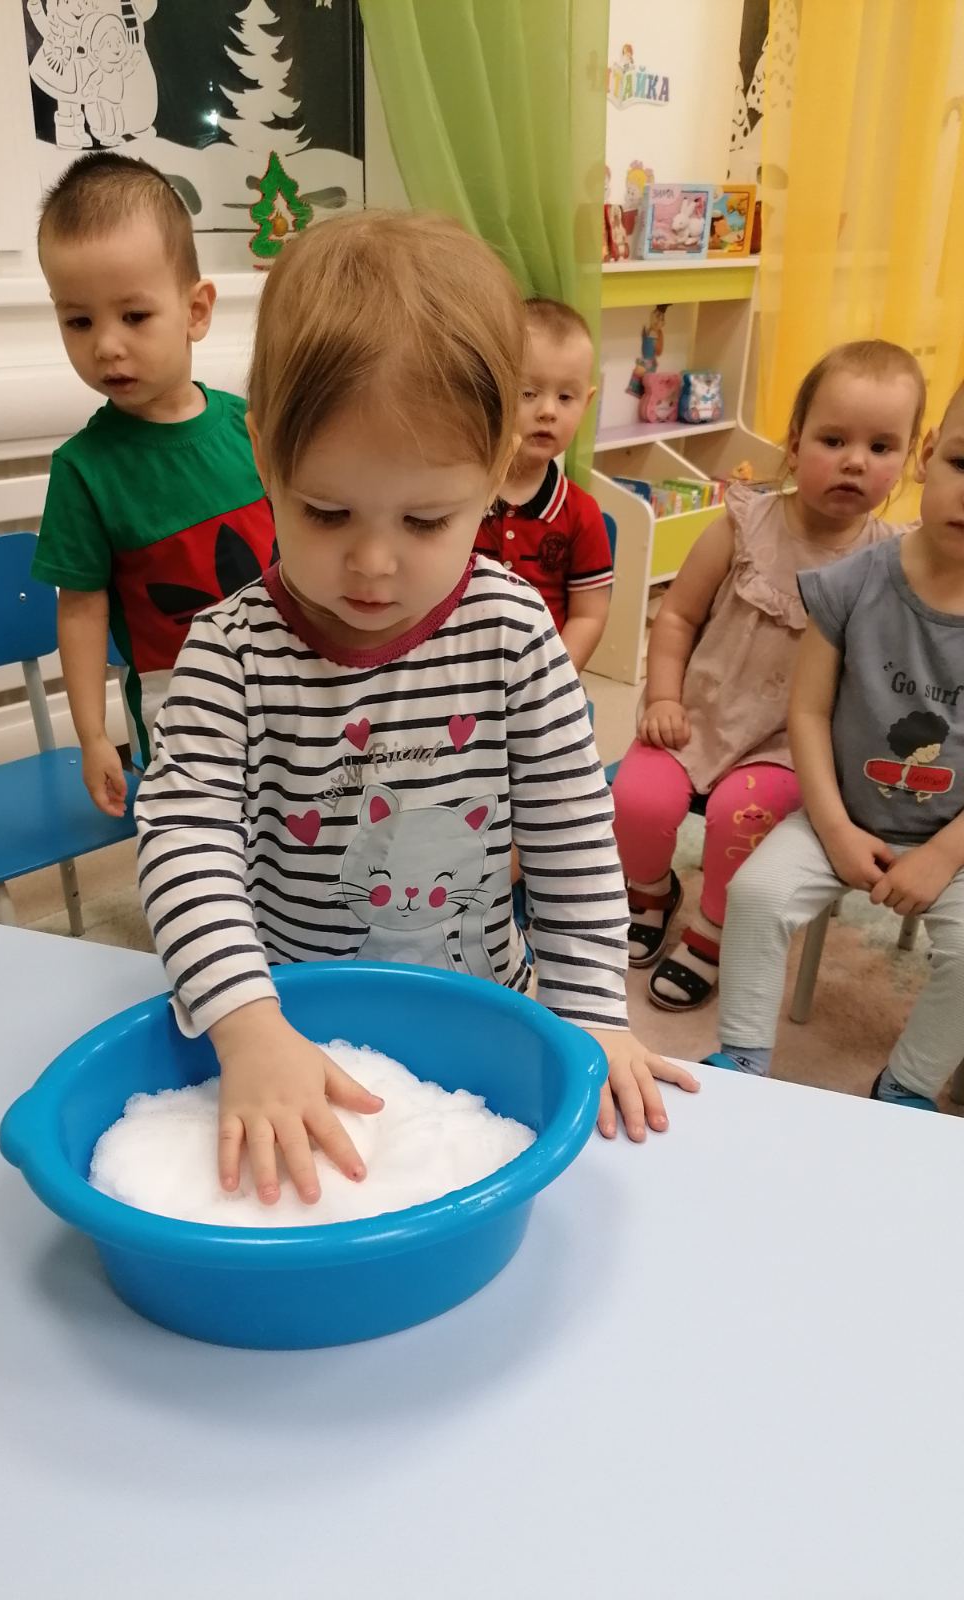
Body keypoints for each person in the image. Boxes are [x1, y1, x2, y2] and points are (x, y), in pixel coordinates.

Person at [134, 212, 697, 1207]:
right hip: (293, 1027)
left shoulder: (514, 629)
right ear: (262, 452)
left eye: (427, 519)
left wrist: (592, 1012)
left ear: (494, 470)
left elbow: (571, 836)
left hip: (483, 1018)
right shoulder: (228, 652)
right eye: (327, 511)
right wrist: (246, 1023)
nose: (374, 563)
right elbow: (185, 842)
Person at [611, 340, 925, 1012]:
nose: (855, 461)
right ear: (795, 441)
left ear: (908, 460)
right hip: (696, 716)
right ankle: (651, 892)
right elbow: (677, 617)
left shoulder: (889, 559)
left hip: (788, 745)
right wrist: (662, 695)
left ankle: (713, 931)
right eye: (834, 440)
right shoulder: (743, 523)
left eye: (880, 447)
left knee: (741, 818)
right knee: (635, 799)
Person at [708, 383, 964, 1110]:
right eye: (963, 462)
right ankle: (742, 1061)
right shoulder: (850, 583)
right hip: (839, 817)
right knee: (756, 894)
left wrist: (944, 855)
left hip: (955, 841)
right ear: (927, 457)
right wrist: (835, 829)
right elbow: (809, 712)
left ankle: (906, 1087)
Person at [32, 152, 275, 813]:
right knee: (200, 839)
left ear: (196, 310)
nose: (106, 345)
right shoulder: (83, 470)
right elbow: (81, 611)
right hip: (180, 704)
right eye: (79, 321)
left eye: (134, 316)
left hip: (288, 677)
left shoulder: (251, 427)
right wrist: (93, 737)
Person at [474, 298, 612, 673]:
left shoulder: (581, 513)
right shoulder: (462, 497)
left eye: (566, 397)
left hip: (543, 678)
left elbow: (589, 616)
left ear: (587, 403)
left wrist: (553, 681)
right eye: (528, 393)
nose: (548, 411)